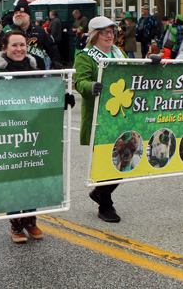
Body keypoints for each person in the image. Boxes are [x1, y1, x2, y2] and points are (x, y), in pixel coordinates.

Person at [73, 16, 130, 223]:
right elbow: (80, 82)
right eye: (105, 32)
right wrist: (91, 86)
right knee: (109, 163)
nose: (110, 35)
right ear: (95, 35)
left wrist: (151, 63)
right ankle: (105, 204)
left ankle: (99, 193)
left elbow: (134, 73)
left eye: (112, 31)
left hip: (123, 114)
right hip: (101, 118)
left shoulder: (118, 52)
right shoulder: (85, 56)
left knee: (126, 161)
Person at [0, 30, 43, 242]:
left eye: (22, 44)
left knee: (33, 176)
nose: (19, 49)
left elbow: (44, 94)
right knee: (12, 178)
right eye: (14, 45)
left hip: (33, 132)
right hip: (8, 134)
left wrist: (62, 98)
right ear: (5, 48)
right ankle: (15, 223)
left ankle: (30, 219)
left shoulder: (35, 68)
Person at [6, 0, 61, 71]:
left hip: (37, 72)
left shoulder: (39, 30)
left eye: (21, 12)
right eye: (16, 13)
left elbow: (51, 47)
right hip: (14, 72)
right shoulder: (7, 31)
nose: (18, 14)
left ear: (28, 16)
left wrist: (56, 61)